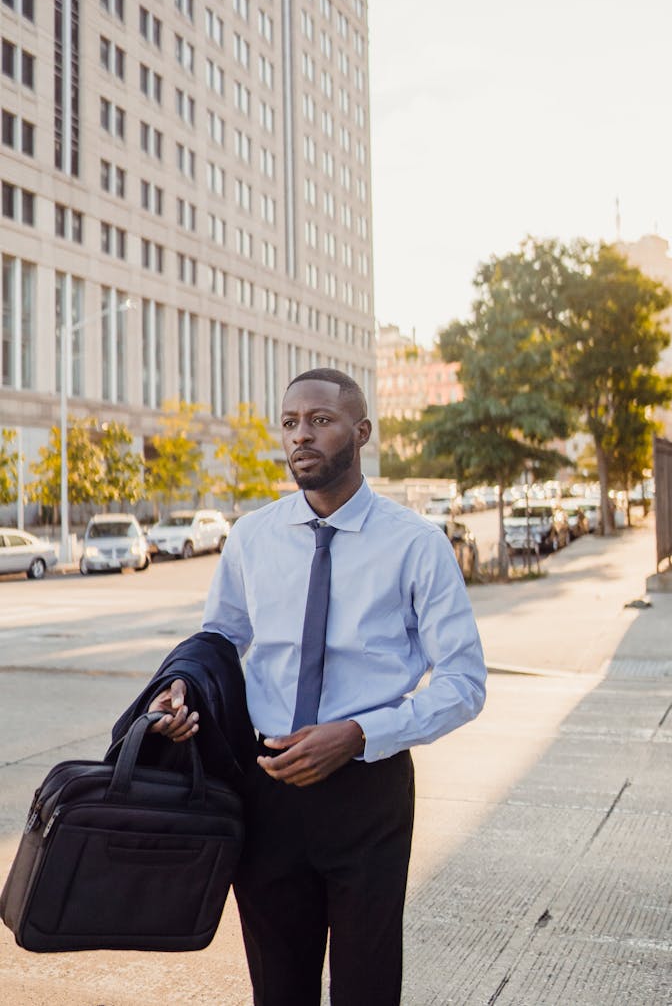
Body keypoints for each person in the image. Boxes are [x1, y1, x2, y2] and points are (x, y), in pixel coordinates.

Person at [147, 368, 486, 1006]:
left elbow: (465, 682)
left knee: (367, 987)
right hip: (266, 785)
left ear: (361, 433)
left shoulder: (416, 545)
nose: (301, 436)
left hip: (368, 791)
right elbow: (219, 638)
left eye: (320, 421)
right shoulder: (252, 537)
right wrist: (184, 689)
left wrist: (359, 734)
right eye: (291, 423)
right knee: (278, 989)